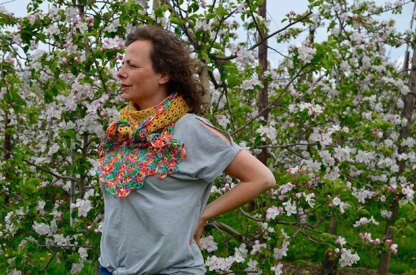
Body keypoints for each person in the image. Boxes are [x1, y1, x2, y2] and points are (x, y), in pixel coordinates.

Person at [97, 25, 276, 275]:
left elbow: (262, 178)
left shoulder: (190, 129)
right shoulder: (121, 130)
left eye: (132, 66)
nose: (120, 73)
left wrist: (203, 216)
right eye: (122, 63)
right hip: (110, 269)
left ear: (163, 75)